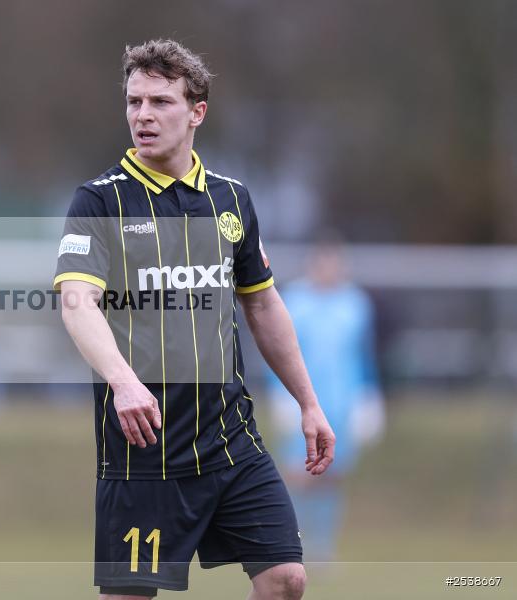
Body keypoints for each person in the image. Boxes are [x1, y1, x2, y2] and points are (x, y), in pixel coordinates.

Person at [54, 39, 335, 600]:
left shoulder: (232, 201)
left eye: (160, 101)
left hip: (230, 441)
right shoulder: (100, 202)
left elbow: (262, 303)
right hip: (143, 451)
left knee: (286, 579)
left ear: (196, 111)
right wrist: (124, 381)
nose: (143, 116)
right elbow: (77, 302)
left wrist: (308, 402)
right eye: (134, 102)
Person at [268, 235, 385, 563]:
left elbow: (363, 354)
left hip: (341, 402)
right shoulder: (295, 300)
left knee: (332, 476)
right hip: (302, 404)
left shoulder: (355, 303)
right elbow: (276, 350)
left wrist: (368, 397)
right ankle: (291, 542)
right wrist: (281, 395)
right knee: (298, 474)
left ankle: (322, 546)